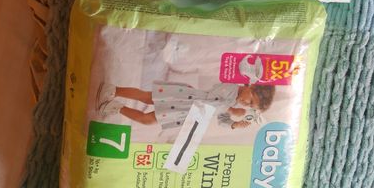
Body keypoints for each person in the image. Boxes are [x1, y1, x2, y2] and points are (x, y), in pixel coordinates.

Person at [96, 82, 275, 132]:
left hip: (186, 112)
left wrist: (234, 124)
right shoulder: (231, 89)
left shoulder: (234, 102)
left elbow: (220, 119)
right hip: (185, 98)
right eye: (250, 100)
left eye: (251, 105)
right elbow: (212, 98)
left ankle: (114, 107)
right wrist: (231, 110)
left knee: (148, 120)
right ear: (251, 87)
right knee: (148, 98)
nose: (246, 104)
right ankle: (114, 91)